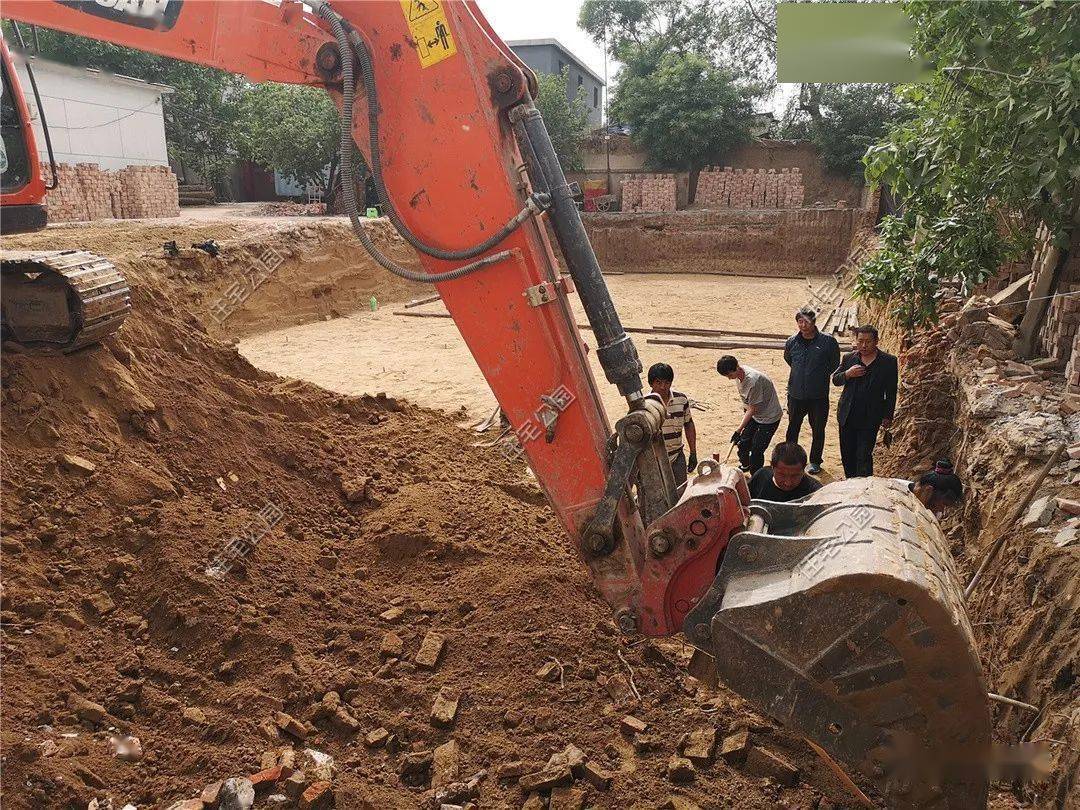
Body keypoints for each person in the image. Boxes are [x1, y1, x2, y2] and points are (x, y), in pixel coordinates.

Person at [832, 325, 898, 478]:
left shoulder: (888, 362)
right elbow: (835, 379)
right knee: (847, 455)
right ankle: (850, 484)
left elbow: (891, 391)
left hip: (870, 417)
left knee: (863, 456)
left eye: (868, 342)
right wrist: (848, 374)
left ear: (876, 341)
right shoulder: (849, 358)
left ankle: (864, 488)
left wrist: (888, 415)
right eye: (860, 341)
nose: (863, 345)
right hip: (847, 415)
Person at [784, 307, 840, 475]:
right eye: (800, 321)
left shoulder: (828, 342)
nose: (803, 325)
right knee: (793, 427)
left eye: (806, 321)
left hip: (818, 395)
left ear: (814, 322)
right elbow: (789, 359)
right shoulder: (792, 341)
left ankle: (815, 461)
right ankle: (790, 458)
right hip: (795, 394)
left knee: (818, 429)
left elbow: (834, 363)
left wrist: (817, 376)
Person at [716, 355, 783, 473]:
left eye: (730, 375)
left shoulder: (753, 381)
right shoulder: (738, 376)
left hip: (769, 417)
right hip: (755, 414)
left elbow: (753, 408)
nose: (730, 379)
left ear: (737, 367)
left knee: (757, 450)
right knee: (743, 443)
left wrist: (738, 430)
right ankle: (746, 465)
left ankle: (756, 476)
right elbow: (747, 403)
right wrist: (742, 430)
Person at [645, 362, 697, 486]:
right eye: (658, 382)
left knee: (681, 493)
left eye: (667, 383)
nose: (663, 387)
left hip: (677, 456)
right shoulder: (644, 404)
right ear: (651, 383)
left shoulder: (681, 400)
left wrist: (693, 452)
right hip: (654, 460)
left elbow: (689, 424)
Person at [748, 442, 823, 502]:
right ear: (772, 467)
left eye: (795, 476)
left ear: (804, 469)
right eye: (782, 475)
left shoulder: (816, 493)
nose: (788, 483)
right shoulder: (761, 476)